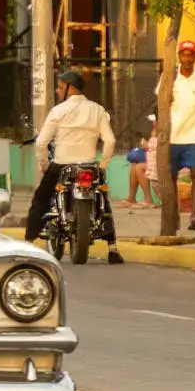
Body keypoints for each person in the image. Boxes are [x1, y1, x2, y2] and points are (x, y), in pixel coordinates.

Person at [26, 70, 123, 264]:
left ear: (71, 89)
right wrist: (102, 165)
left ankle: (27, 244)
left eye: (61, 87)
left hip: (62, 164)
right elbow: (110, 141)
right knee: (103, 200)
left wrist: (44, 164)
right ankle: (112, 249)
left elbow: (41, 143)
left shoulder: (58, 111)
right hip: (89, 165)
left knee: (40, 200)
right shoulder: (97, 110)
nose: (58, 90)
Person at [162, 39, 195, 231]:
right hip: (173, 135)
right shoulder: (170, 76)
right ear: (179, 56)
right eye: (184, 54)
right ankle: (173, 216)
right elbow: (160, 102)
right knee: (171, 177)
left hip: (194, 134)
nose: (187, 58)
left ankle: (193, 216)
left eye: (191, 55)